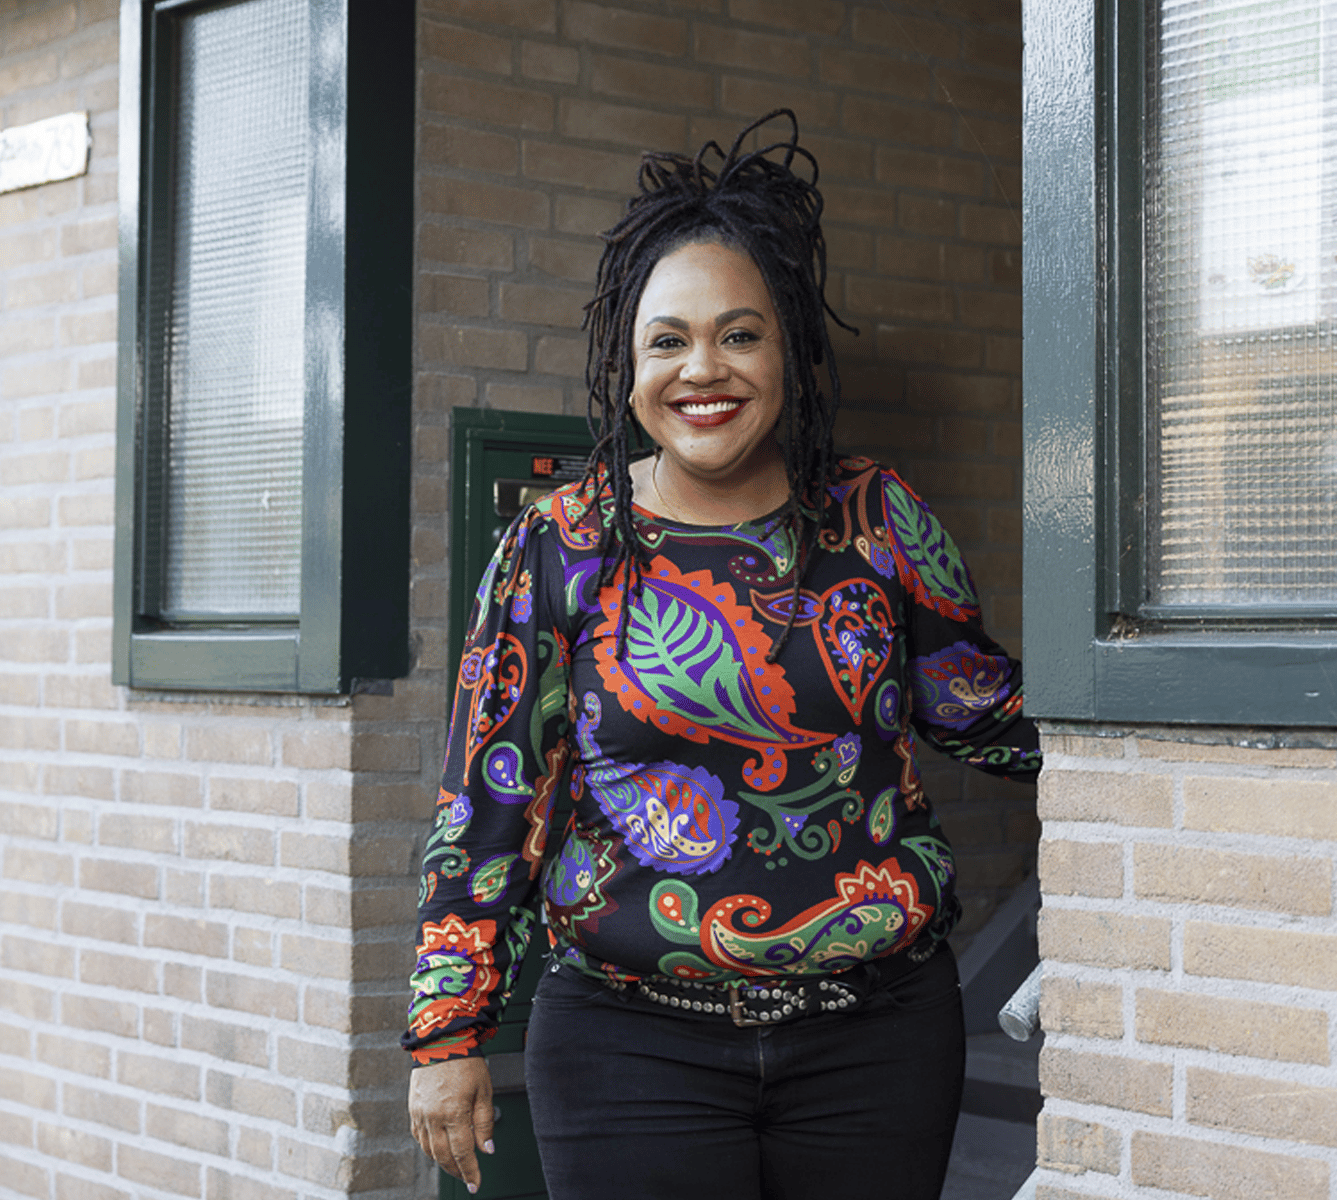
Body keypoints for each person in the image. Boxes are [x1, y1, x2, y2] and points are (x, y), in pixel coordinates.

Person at [405, 111, 1040, 1200]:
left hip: (877, 1041)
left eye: (740, 334)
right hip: (628, 1047)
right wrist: (447, 1031)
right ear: (628, 359)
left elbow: (979, 711)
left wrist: (1180, 754)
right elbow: (487, 801)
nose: (704, 369)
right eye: (669, 340)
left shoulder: (877, 519)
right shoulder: (561, 544)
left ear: (789, 346)